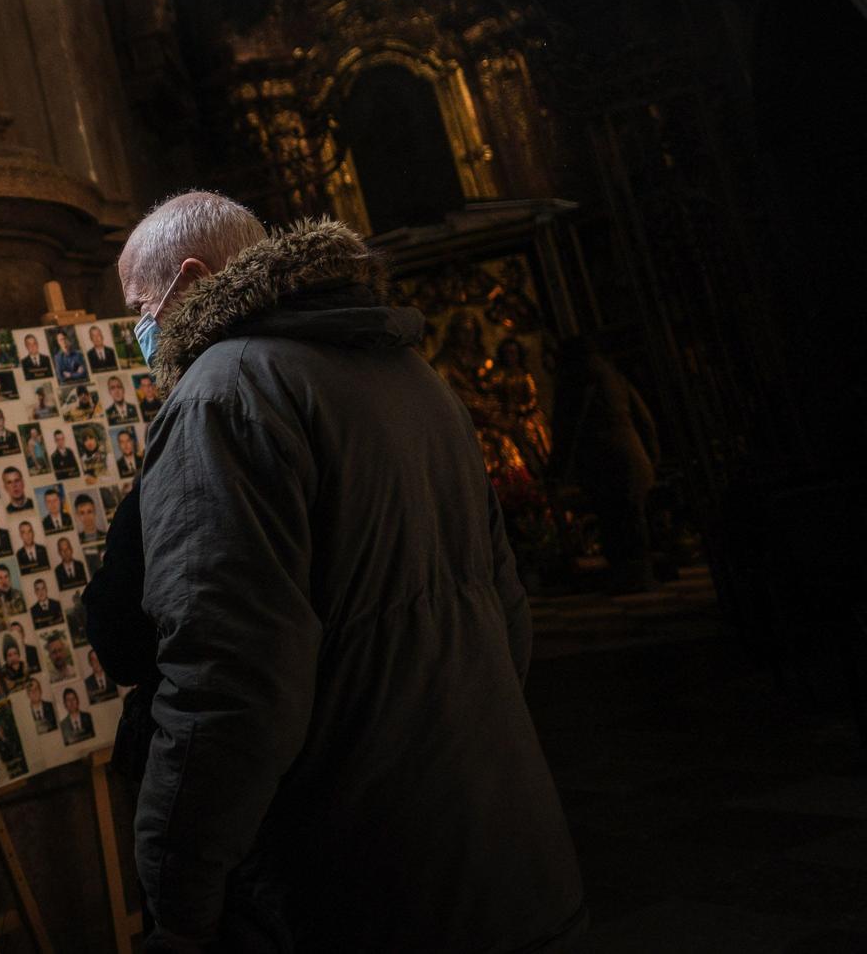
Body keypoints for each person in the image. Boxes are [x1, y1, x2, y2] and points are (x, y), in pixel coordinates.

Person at [115, 192, 582, 951]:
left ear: (191, 279)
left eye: (139, 308)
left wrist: (179, 901)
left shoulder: (221, 397)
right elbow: (508, 613)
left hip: (364, 884)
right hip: (505, 847)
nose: (138, 330)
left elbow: (226, 683)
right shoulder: (412, 374)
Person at [552, 335, 662, 593]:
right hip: (632, 452)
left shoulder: (574, 380)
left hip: (599, 457)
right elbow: (644, 419)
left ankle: (627, 576)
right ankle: (642, 574)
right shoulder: (615, 377)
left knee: (612, 518)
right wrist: (652, 455)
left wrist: (558, 466)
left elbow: (567, 426)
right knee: (634, 516)